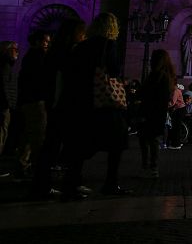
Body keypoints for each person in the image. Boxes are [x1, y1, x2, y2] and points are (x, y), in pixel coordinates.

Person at [59, 12, 131, 199]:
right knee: (117, 143)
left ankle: (72, 183)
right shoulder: (108, 45)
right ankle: (110, 183)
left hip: (82, 101)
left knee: (80, 144)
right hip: (105, 102)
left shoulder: (81, 46)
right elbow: (114, 70)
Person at [32, 19, 86, 198]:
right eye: (81, 32)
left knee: (51, 147)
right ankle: (68, 185)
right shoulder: (68, 53)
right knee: (71, 147)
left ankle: (42, 185)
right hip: (65, 105)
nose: (83, 36)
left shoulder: (54, 52)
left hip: (56, 105)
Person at [15, 31, 52, 178]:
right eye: (45, 41)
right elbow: (42, 78)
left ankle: (22, 165)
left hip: (27, 99)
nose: (47, 44)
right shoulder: (38, 56)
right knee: (38, 136)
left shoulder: (29, 56)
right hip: (36, 100)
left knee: (28, 135)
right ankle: (38, 171)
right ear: (37, 41)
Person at [140, 50, 175, 178]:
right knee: (148, 141)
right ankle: (149, 167)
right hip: (154, 113)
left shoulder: (160, 76)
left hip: (153, 113)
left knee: (150, 141)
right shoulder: (159, 75)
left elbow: (159, 98)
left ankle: (151, 167)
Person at [0, 41, 19, 178]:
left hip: (4, 105)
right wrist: (9, 103)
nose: (17, 52)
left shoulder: (6, 65)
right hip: (3, 107)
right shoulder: (5, 66)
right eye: (14, 49)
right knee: (1, 135)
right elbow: (4, 87)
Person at [168, 83, 186, 150]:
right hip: (181, 109)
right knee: (177, 127)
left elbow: (173, 102)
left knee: (175, 127)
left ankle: (176, 144)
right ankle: (178, 142)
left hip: (179, 110)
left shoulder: (175, 91)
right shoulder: (178, 90)